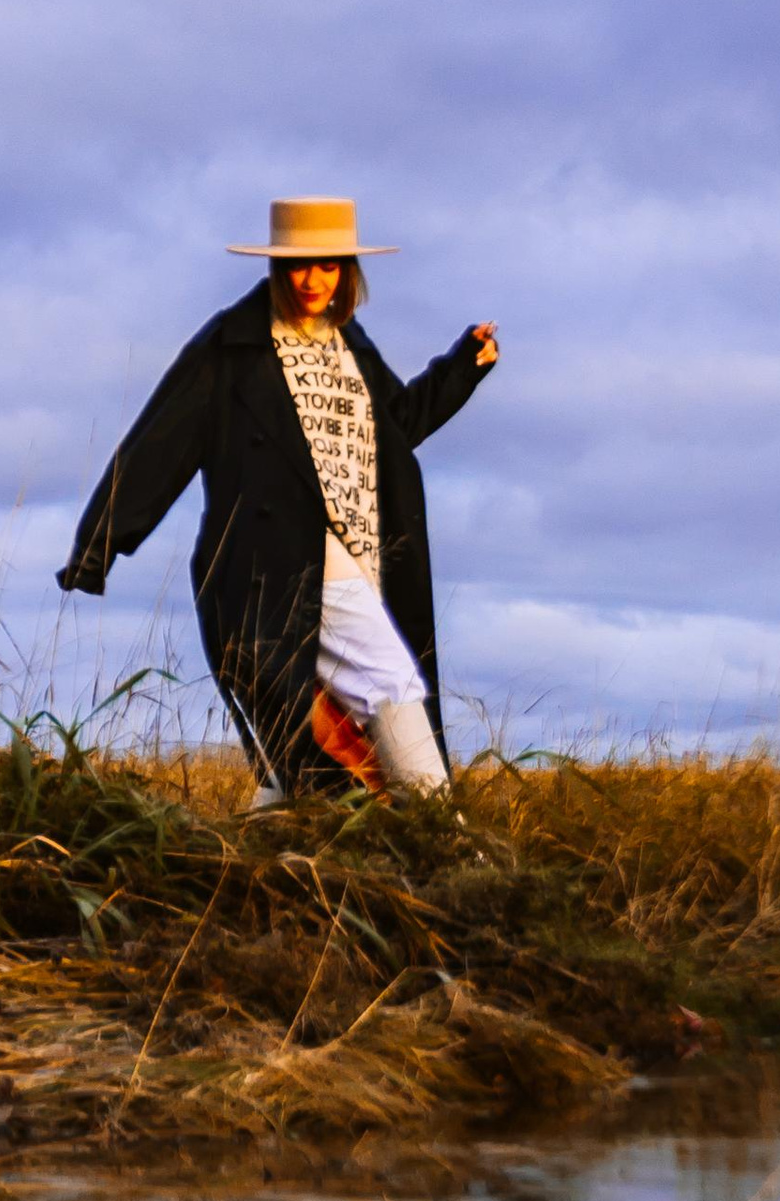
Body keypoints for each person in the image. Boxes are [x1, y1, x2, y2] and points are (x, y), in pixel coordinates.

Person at [56, 194, 497, 798]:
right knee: (389, 682)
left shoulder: (351, 347)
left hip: (361, 553)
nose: (313, 280)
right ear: (275, 268)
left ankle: (249, 866)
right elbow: (159, 442)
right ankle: (449, 842)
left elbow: (396, 429)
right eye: (297, 265)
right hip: (274, 562)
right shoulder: (233, 348)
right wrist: (98, 545)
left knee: (311, 746)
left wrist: (462, 367)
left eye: (328, 264)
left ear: (348, 269)